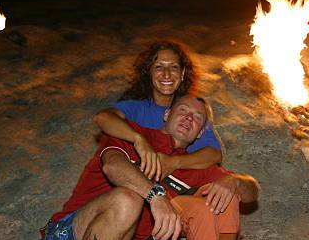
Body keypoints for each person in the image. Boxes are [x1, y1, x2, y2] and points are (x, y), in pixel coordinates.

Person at [41, 95, 260, 240]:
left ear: (199, 134)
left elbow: (251, 192)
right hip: (68, 239)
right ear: (166, 115)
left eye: (197, 117)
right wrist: (156, 196)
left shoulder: (191, 166)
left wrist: (234, 181)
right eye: (183, 110)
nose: (188, 117)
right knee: (129, 199)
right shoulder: (135, 135)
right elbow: (112, 166)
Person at [93, 40, 222, 182]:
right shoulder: (137, 107)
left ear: (183, 73)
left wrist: (174, 162)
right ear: (149, 71)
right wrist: (138, 139)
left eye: (173, 67)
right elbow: (103, 117)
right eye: (159, 67)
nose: (167, 75)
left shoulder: (189, 113)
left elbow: (214, 154)